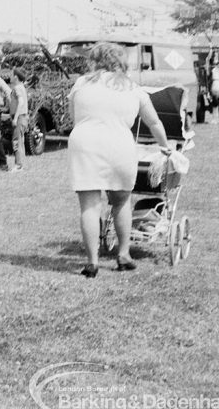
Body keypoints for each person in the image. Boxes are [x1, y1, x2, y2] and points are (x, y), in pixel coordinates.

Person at [68, 42, 173, 278]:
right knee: (121, 201)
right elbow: (154, 122)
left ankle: (92, 262)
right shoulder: (133, 88)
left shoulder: (81, 83)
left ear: (94, 60)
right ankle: (124, 255)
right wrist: (165, 147)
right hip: (120, 145)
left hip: (85, 144)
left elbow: (73, 118)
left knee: (89, 205)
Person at [8, 67, 29, 172]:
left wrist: (15, 118)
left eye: (11, 75)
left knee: (16, 141)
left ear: (16, 77)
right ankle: (21, 164)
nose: (10, 77)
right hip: (23, 117)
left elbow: (20, 102)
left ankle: (18, 165)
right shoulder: (22, 87)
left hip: (19, 117)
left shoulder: (17, 88)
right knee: (21, 142)